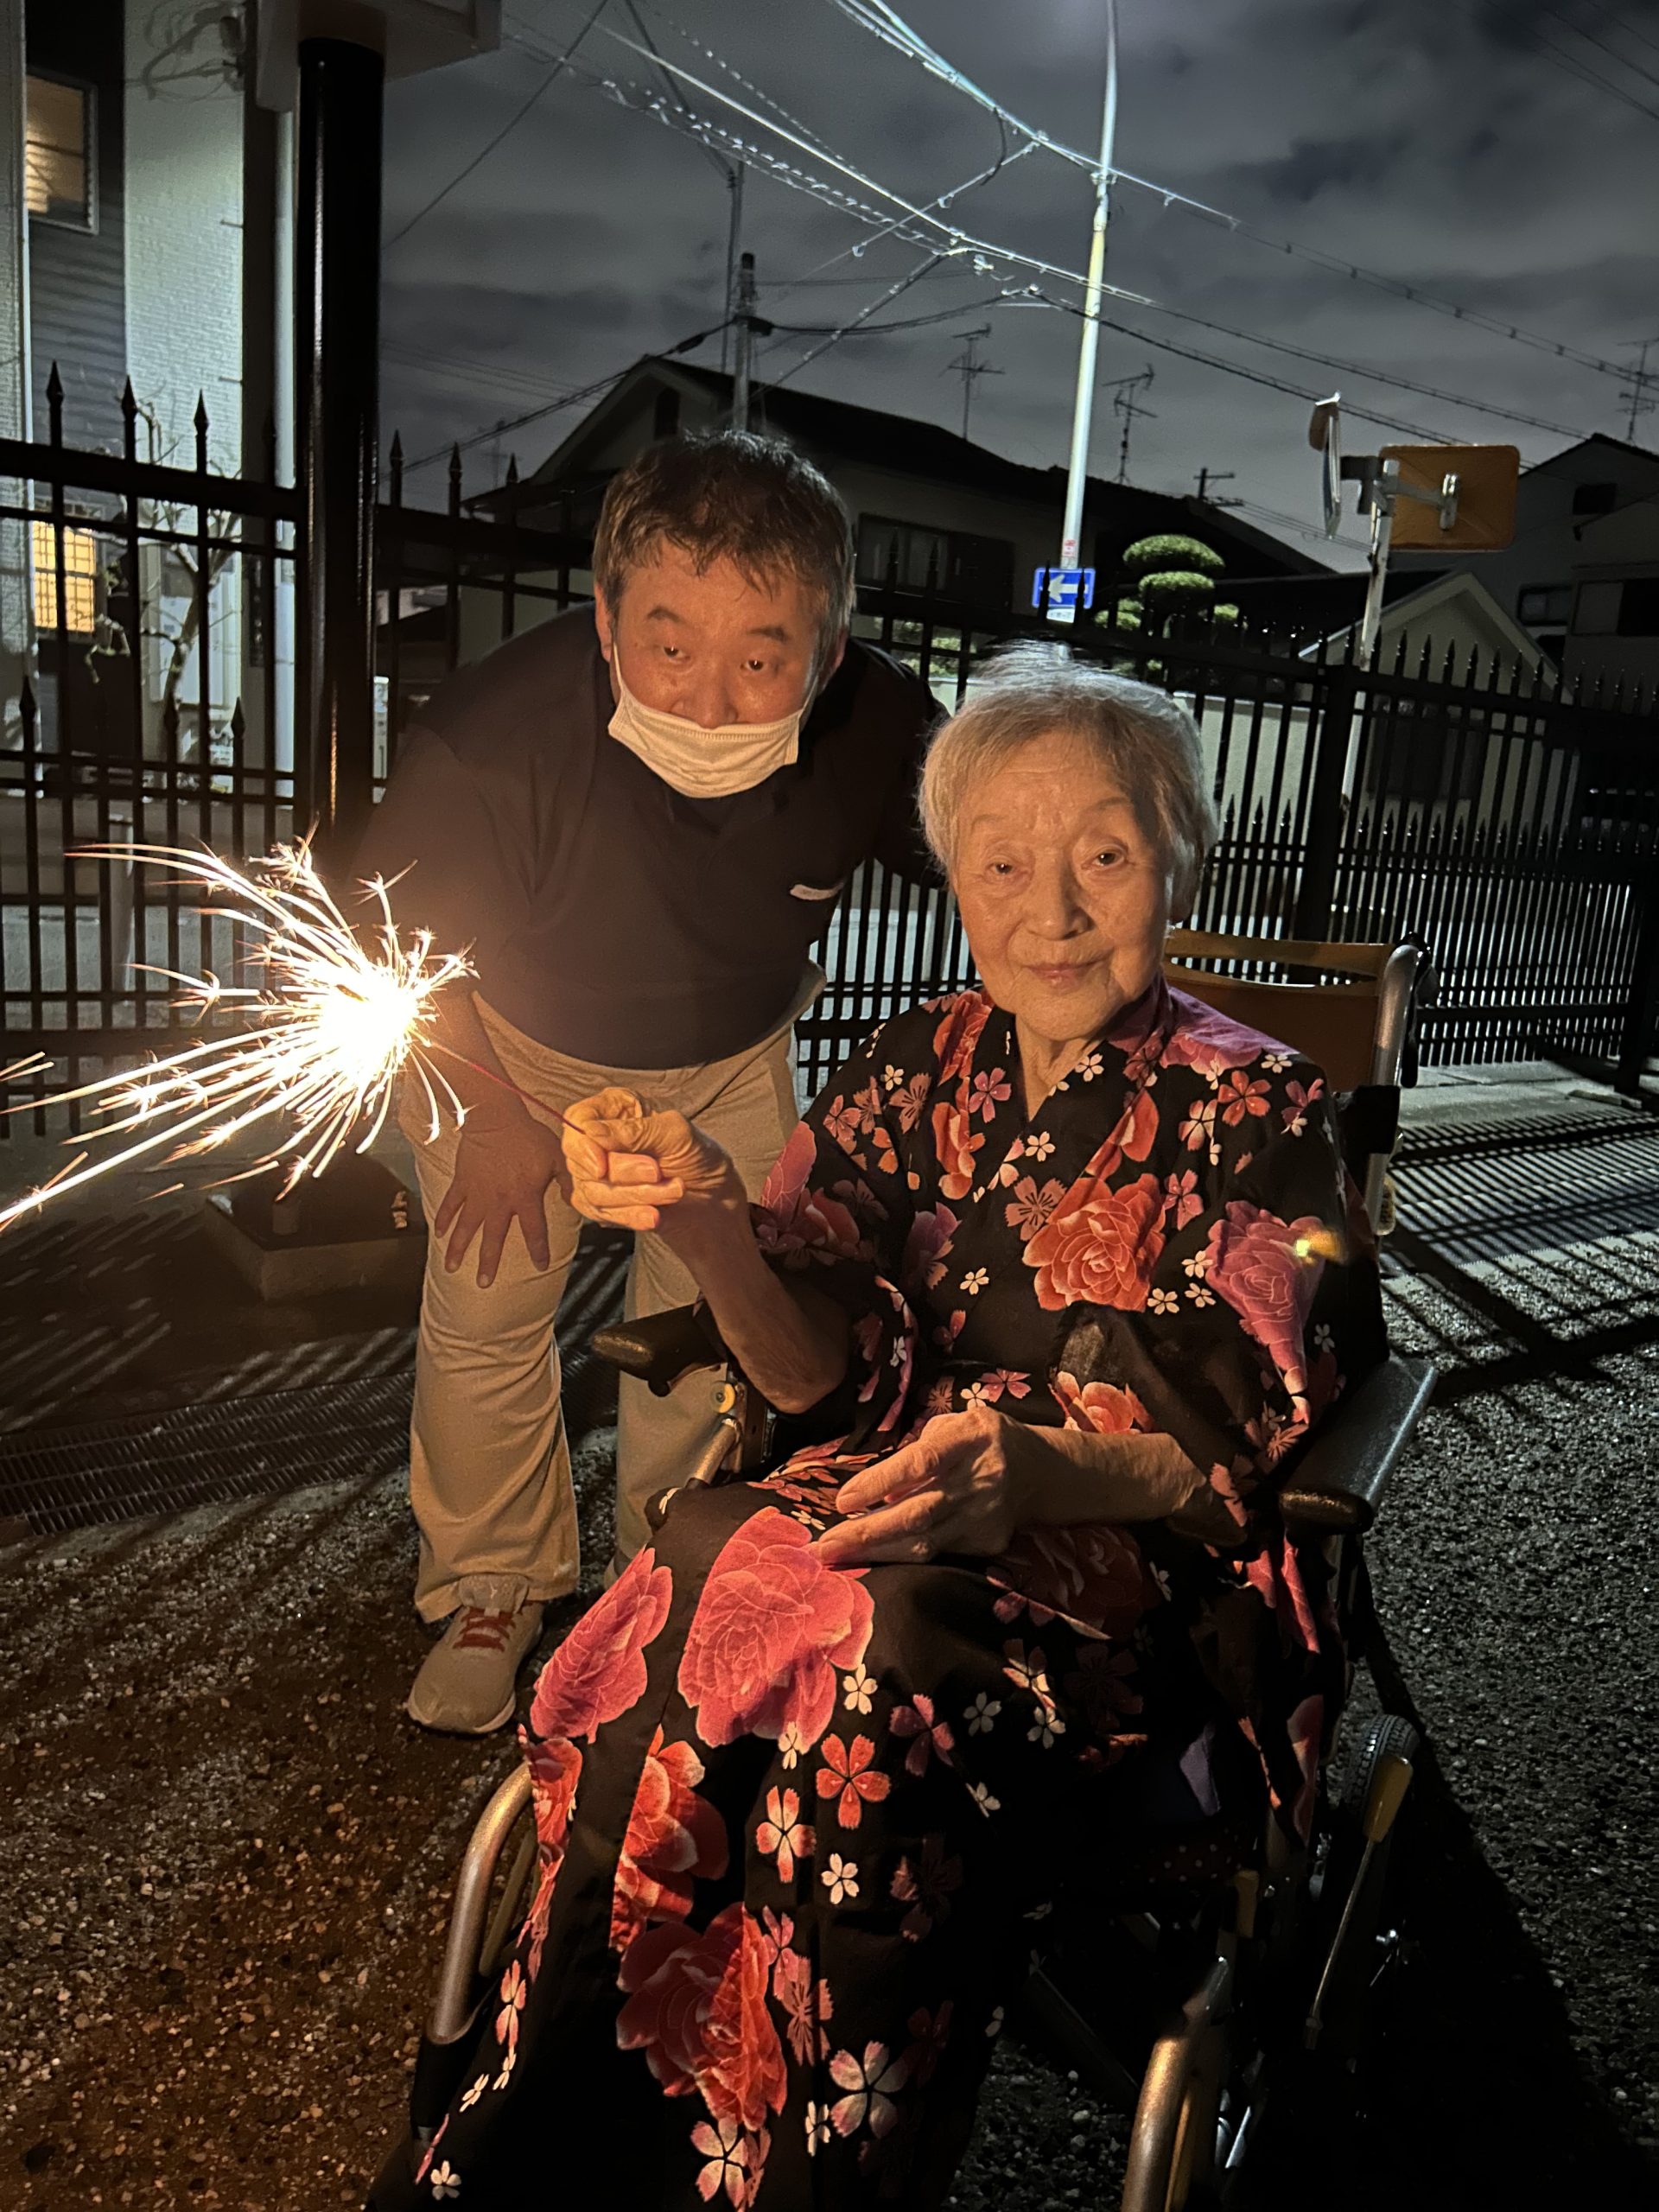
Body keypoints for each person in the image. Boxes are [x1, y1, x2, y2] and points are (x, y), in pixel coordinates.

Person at [371, 645, 1387, 2211]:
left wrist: (1029, 1468)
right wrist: (713, 1229)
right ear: (954, 883)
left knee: (871, 1647)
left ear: (1178, 857)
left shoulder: (1265, 1112)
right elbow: (815, 1374)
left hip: (1121, 1581)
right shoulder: (915, 1062)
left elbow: (1242, 1442)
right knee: (688, 1565)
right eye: (1003, 862)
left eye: (1104, 856)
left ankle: (799, 2165)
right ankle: (553, 2132)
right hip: (875, 1501)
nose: (1050, 909)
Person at [356, 431, 939, 1734]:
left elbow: (997, 844)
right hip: (503, 1045)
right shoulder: (491, 739)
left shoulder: (883, 726)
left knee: (717, 1323)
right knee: (490, 1304)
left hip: (730, 1059)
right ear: (607, 620)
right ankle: (490, 1584)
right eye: (671, 646)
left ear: (828, 654)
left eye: (761, 658)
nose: (711, 703)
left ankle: (667, 1565)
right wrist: (492, 1114)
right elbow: (393, 941)